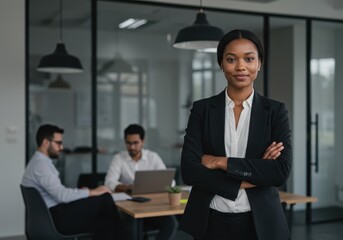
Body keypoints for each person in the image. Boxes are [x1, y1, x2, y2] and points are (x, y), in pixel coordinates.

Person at [179, 29, 292, 240]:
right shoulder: (202, 110)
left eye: (249, 59)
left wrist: (220, 162)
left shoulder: (276, 111)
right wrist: (257, 173)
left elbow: (279, 172)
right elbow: (190, 171)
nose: (241, 66)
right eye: (231, 59)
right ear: (221, 64)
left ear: (259, 63)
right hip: (210, 221)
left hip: (261, 223)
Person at [22, 124, 125, 240]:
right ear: (46, 143)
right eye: (58, 143)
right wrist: (92, 192)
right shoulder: (41, 165)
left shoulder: (38, 162)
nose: (61, 147)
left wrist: (85, 192)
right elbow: (62, 196)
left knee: (105, 225)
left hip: (52, 215)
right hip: (56, 219)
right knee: (105, 198)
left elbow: (58, 192)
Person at [105, 124, 178, 240]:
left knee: (171, 224)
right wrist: (128, 187)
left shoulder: (153, 157)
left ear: (143, 141)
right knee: (133, 228)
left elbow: (171, 182)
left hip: (153, 204)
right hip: (130, 205)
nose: (132, 147)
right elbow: (109, 182)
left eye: (135, 143)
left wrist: (155, 185)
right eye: (128, 143)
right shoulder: (118, 158)